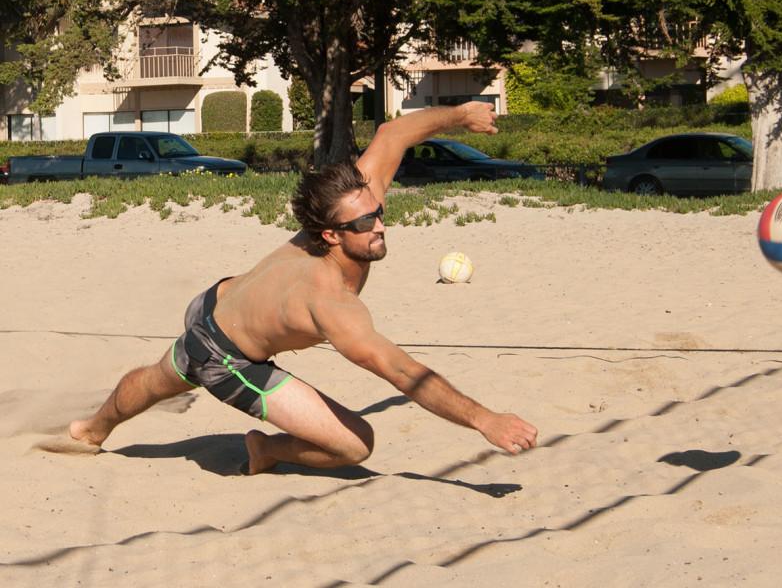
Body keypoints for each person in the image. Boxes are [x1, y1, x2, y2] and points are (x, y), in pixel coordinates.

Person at [69, 102, 538, 474]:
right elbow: (402, 372)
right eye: (365, 222)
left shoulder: (352, 203)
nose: (379, 224)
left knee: (162, 374)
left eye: (378, 211)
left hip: (217, 299)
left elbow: (392, 135)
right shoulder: (330, 301)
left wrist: (460, 115)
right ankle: (260, 450)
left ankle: (94, 426)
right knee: (355, 444)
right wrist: (485, 419)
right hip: (223, 353)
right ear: (331, 235)